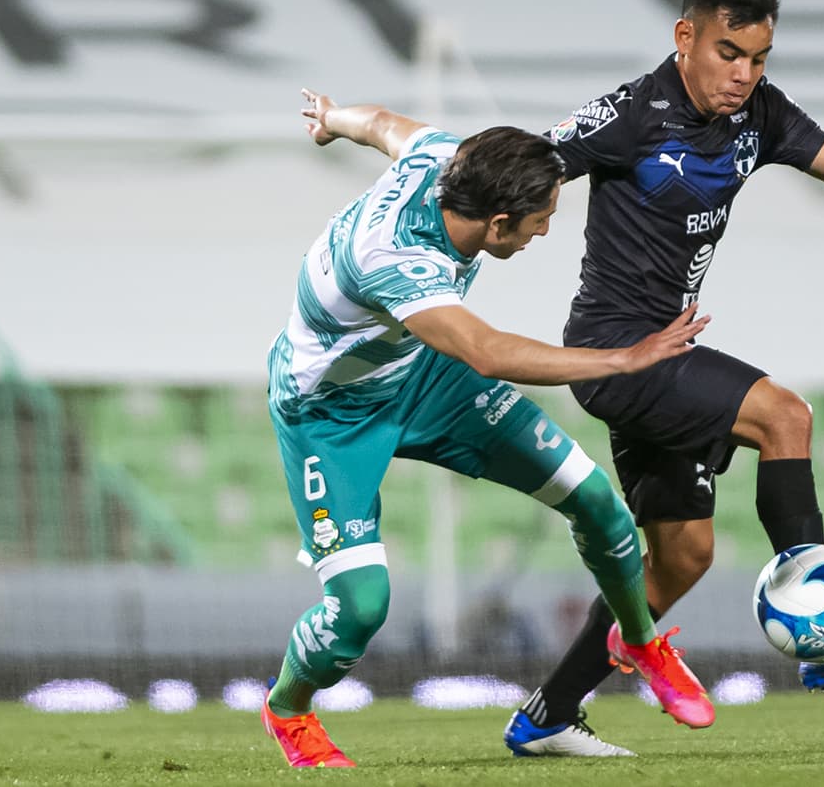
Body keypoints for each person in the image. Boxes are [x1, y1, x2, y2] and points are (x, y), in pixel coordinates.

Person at [498, 0, 824, 755]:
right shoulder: (631, 113)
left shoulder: (762, 113)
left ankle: (546, 714)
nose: (743, 74)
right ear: (685, 36)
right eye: (729, 52)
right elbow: (528, 163)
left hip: (667, 350)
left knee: (683, 557)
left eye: (758, 58)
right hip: (614, 349)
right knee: (785, 415)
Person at [260, 90, 716, 768]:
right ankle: (288, 707)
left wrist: (332, 120)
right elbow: (487, 351)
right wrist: (624, 358)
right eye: (541, 219)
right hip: (329, 414)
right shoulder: (395, 262)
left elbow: (381, 124)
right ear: (499, 223)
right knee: (360, 607)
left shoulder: (444, 155)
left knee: (597, 502)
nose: (545, 231)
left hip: (423, 375)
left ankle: (638, 638)